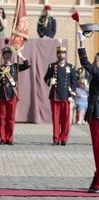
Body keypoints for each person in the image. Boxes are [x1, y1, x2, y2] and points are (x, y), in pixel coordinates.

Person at [0, 44, 30, 145]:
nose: (7, 56)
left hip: (12, 94)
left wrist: (21, 56)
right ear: (3, 56)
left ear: (11, 56)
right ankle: (3, 138)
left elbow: (27, 65)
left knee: (11, 118)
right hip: (2, 94)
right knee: (2, 117)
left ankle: (10, 138)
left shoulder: (15, 66)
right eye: (5, 54)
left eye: (9, 54)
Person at [78, 31, 99, 193]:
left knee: (98, 149)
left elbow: (85, 62)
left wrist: (81, 43)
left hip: (97, 113)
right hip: (94, 112)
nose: (97, 62)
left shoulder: (97, 72)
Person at [44, 45, 77, 146]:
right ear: (57, 54)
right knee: (55, 119)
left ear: (65, 54)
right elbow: (45, 78)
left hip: (66, 96)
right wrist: (50, 81)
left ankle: (64, 139)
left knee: (66, 120)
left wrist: (72, 96)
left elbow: (73, 83)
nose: (61, 54)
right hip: (55, 96)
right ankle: (56, 139)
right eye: (59, 53)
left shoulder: (71, 67)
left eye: (62, 53)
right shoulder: (52, 66)